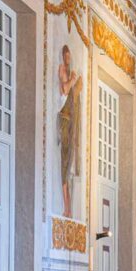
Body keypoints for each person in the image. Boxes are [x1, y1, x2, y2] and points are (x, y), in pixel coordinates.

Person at [57, 45, 83, 218]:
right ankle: (66, 207)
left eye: (70, 57)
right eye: (66, 56)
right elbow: (64, 90)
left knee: (70, 163)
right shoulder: (62, 71)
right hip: (65, 122)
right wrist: (73, 82)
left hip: (72, 123)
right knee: (65, 164)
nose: (68, 59)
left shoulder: (70, 73)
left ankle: (69, 209)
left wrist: (77, 86)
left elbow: (73, 95)